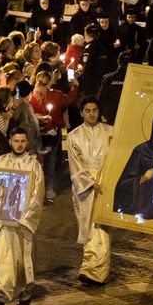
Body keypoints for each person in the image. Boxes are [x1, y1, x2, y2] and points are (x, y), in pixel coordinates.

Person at [0, 129, 45, 305]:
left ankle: (24, 293)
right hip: (1, 222)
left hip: (20, 222)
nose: (19, 144)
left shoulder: (33, 164)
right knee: (0, 259)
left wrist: (25, 219)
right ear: (10, 141)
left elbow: (37, 195)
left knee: (20, 260)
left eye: (22, 141)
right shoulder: (1, 161)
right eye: (16, 140)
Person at [64, 101, 113, 285]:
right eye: (88, 111)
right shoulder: (74, 135)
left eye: (95, 110)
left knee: (101, 227)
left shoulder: (111, 132)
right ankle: (89, 265)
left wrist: (108, 180)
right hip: (85, 185)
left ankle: (96, 271)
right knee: (87, 225)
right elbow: (75, 164)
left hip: (106, 182)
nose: (92, 114)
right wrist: (90, 183)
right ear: (82, 113)